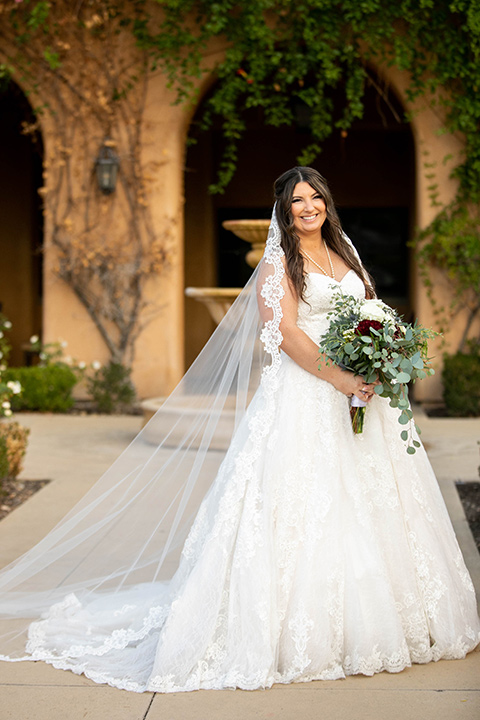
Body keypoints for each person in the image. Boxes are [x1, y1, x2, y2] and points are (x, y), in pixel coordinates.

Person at [0, 167, 479, 693]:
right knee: (303, 508)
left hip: (364, 394)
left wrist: (383, 355)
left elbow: (371, 310)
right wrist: (343, 379)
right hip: (308, 395)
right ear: (284, 210)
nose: (308, 206)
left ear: (327, 201)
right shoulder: (279, 262)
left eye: (315, 195)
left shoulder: (349, 253)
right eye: (297, 200)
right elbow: (287, 335)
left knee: (378, 502)